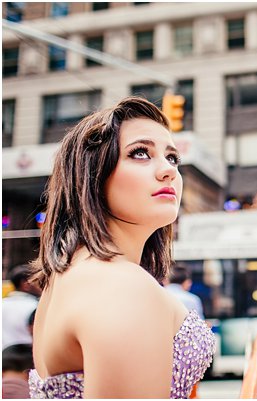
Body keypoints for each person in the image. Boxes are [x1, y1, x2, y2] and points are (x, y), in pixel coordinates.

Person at [27, 96, 215, 398]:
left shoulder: (66, 278)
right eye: (140, 153)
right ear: (92, 175)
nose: (168, 171)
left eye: (172, 158)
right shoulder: (122, 285)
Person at [2, 264, 41, 350]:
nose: (41, 285)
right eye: (38, 280)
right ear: (25, 284)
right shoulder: (36, 307)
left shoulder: (2, 304)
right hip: (27, 359)